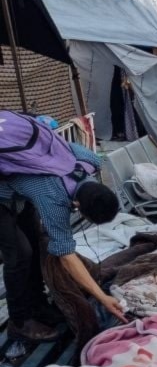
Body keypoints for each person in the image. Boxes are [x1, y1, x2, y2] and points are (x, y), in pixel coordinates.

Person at [0, 110, 127, 342]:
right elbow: (66, 254)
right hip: (6, 190)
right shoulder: (54, 198)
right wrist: (102, 297)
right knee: (19, 253)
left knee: (37, 242)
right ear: (76, 204)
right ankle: (20, 322)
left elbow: (62, 149)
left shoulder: (90, 161)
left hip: (17, 180)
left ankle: (37, 305)